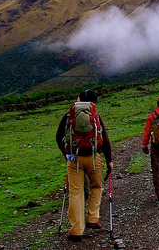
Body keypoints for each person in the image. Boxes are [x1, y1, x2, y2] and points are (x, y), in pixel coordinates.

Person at [55, 89, 113, 242]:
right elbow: (105, 140)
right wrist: (109, 161)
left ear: (79, 99)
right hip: (94, 158)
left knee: (76, 192)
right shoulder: (96, 116)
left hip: (74, 159)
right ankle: (92, 218)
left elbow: (58, 137)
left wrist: (66, 155)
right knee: (96, 186)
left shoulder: (69, 116)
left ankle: (76, 230)